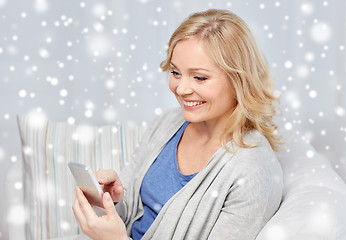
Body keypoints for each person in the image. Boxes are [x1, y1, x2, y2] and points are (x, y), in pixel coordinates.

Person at [72, 9, 283, 240]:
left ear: (238, 80)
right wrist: (114, 201)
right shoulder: (167, 124)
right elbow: (133, 218)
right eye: (175, 72)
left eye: (199, 77)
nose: (181, 89)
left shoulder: (252, 171)